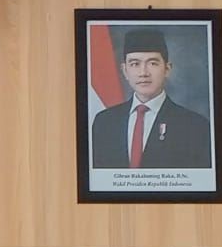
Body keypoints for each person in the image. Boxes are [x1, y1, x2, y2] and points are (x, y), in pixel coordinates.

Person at [91, 28, 212, 170]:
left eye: (153, 63)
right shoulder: (104, 122)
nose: (143, 73)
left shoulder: (194, 126)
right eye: (135, 64)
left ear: (167, 69)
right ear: (125, 71)